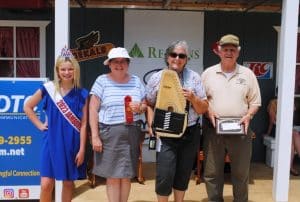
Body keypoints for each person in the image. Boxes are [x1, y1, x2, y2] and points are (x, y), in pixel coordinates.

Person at [201, 34, 261, 202]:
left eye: (232, 50)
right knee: (212, 172)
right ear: (218, 51)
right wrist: (209, 112)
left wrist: (249, 115)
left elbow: (255, 102)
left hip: (241, 129)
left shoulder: (248, 74)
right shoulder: (208, 74)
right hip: (213, 129)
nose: (229, 52)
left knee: (241, 172)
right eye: (225, 49)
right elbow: (201, 101)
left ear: (238, 52)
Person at [146, 40, 208, 202]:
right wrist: (151, 124)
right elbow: (148, 103)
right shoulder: (157, 78)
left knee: (183, 173)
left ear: (186, 59)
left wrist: (193, 98)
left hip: (190, 132)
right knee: (164, 175)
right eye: (174, 54)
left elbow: (203, 108)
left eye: (182, 56)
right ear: (167, 57)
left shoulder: (194, 78)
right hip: (165, 133)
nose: (177, 58)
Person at [23, 48, 89, 202]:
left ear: (75, 70)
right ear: (58, 71)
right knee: (46, 184)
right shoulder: (48, 89)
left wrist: (82, 149)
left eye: (70, 69)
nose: (67, 72)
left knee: (67, 183)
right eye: (63, 69)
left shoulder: (82, 93)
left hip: (71, 143)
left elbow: (84, 124)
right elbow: (27, 107)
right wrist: (40, 125)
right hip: (51, 142)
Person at [89, 47, 147, 202]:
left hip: (131, 133)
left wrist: (140, 107)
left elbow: (145, 104)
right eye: (115, 61)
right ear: (109, 64)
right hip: (109, 133)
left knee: (126, 175)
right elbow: (93, 109)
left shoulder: (136, 80)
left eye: (123, 61)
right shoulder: (102, 80)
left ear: (128, 64)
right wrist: (95, 136)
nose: (119, 65)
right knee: (113, 177)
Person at [265, 88, 300, 176]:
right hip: (276, 128)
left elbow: (291, 118)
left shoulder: (290, 102)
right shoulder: (273, 103)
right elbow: (272, 121)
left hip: (287, 129)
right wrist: (268, 134)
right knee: (294, 134)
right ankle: (290, 167)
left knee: (292, 140)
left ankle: (290, 167)